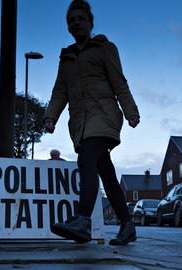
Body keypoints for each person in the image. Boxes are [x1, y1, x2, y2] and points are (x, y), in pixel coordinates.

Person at [43, 0, 140, 245]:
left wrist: (131, 112)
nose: (76, 23)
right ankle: (127, 226)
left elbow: (120, 82)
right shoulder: (66, 57)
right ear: (68, 27)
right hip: (81, 123)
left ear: (90, 23)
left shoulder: (105, 48)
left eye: (81, 19)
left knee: (86, 160)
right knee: (105, 171)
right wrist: (50, 117)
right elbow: (59, 92)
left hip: (104, 115)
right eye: (71, 20)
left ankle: (83, 221)